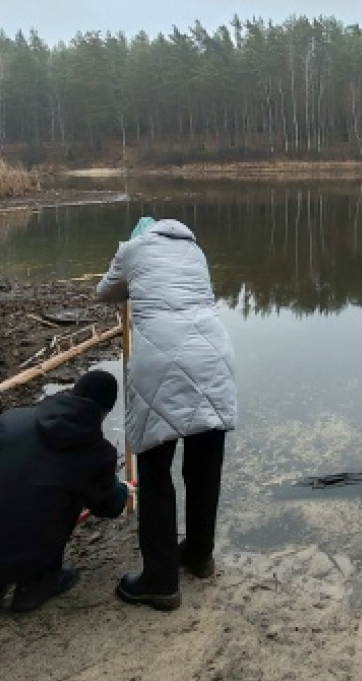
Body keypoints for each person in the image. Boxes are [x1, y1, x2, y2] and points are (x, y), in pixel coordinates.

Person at [95, 217, 238, 611]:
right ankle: (199, 555)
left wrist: (127, 272)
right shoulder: (195, 251)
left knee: (155, 471)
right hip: (214, 357)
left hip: (161, 362)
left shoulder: (132, 250)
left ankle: (160, 581)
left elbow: (104, 292)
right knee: (205, 467)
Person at [0, 370, 128, 616]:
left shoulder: (11, 421)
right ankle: (37, 583)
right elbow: (110, 506)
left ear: (72, 393)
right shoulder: (97, 453)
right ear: (105, 413)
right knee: (66, 494)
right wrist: (122, 490)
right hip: (26, 561)